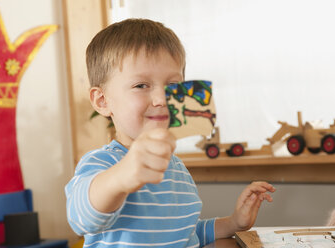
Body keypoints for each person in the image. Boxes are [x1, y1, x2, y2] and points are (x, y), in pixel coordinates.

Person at [65, 18, 275, 247]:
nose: (161, 99)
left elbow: (187, 233)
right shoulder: (102, 163)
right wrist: (122, 176)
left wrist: (234, 222)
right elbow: (81, 218)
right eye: (141, 85)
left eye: (172, 86)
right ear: (102, 100)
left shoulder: (177, 168)